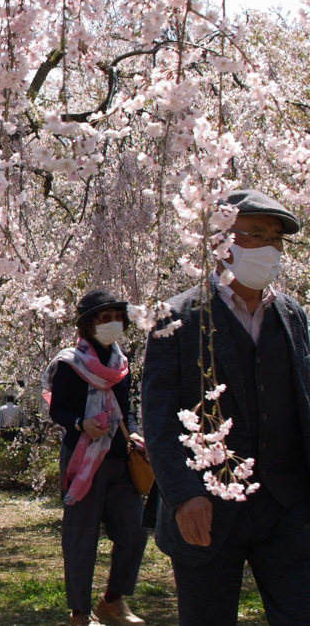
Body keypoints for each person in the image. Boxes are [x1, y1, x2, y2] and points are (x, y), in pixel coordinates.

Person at [141, 189, 310, 626]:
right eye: (256, 235)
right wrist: (183, 495)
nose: (271, 248)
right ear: (221, 242)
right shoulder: (178, 317)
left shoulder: (292, 316)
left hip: (288, 505)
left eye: (277, 239)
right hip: (207, 510)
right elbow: (158, 419)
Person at [44, 289, 147, 626]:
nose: (113, 323)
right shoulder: (69, 363)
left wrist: (134, 434)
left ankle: (112, 601)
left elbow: (126, 409)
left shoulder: (121, 363)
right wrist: (79, 423)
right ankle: (80, 613)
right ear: (88, 325)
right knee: (81, 538)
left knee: (134, 532)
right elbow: (57, 408)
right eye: (105, 318)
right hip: (83, 460)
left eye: (118, 317)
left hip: (120, 461)